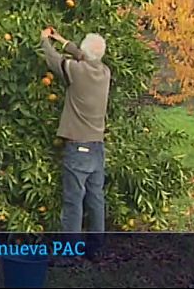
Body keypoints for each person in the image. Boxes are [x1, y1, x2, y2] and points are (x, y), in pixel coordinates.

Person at [40, 26, 111, 260]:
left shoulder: (76, 71)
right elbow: (85, 57)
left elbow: (54, 61)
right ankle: (96, 249)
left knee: (73, 202)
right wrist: (63, 40)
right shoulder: (105, 72)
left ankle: (68, 255)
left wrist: (45, 41)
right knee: (95, 198)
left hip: (78, 147)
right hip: (97, 147)